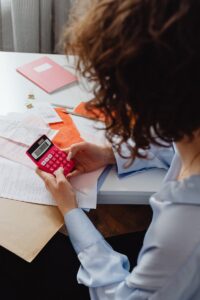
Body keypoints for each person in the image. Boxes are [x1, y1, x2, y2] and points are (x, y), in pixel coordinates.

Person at [34, 0, 200, 299]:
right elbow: (175, 147)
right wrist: (112, 154)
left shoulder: (185, 225)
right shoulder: (191, 125)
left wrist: (71, 212)